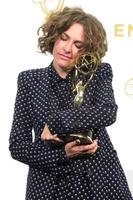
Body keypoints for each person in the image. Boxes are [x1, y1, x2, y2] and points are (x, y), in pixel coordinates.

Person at [9, 6, 133, 200]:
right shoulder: (29, 80)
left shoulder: (97, 73)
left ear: (87, 50)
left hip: (100, 183)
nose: (67, 49)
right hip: (49, 186)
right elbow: (17, 146)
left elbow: (107, 111)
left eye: (78, 44)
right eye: (64, 38)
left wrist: (55, 122)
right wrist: (62, 155)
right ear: (54, 37)